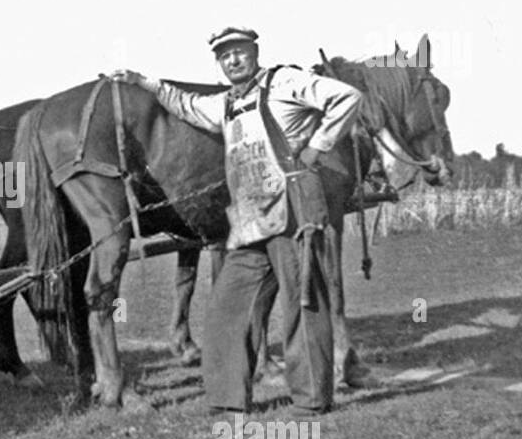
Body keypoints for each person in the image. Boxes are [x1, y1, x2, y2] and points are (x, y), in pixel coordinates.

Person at [114, 27, 362, 416]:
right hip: (249, 225)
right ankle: (229, 401)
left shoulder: (284, 82)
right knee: (227, 310)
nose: (232, 60)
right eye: (224, 55)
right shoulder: (227, 104)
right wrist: (145, 83)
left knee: (303, 304)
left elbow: (346, 97)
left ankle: (312, 401)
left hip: (294, 215)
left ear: (254, 52)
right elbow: (185, 104)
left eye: (239, 52)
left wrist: (317, 147)